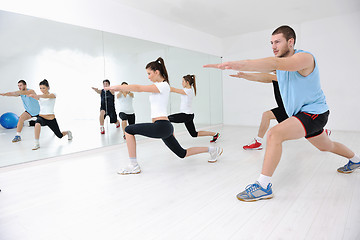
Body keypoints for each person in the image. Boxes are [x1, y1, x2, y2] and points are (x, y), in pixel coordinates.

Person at [204, 25, 360, 201]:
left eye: (277, 41)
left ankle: (263, 186)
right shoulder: (282, 68)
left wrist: (233, 64)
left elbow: (274, 63)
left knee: (274, 134)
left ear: (290, 41)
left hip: (314, 113)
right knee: (326, 146)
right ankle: (356, 160)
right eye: (271, 42)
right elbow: (269, 76)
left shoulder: (305, 58)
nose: (273, 46)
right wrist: (244, 75)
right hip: (305, 115)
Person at [105, 57, 223, 174]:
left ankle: (133, 165)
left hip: (161, 126)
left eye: (149, 73)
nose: (148, 77)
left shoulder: (162, 86)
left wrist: (117, 87)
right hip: (164, 127)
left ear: (157, 72)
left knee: (129, 130)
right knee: (182, 153)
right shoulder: (160, 86)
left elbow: (139, 88)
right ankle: (212, 150)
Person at [234, 73, 331, 150]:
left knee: (310, 137)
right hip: (285, 109)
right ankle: (258, 142)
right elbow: (264, 78)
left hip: (296, 110)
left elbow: (265, 76)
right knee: (266, 115)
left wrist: (245, 75)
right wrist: (245, 76)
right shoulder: (277, 78)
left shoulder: (287, 78)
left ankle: (322, 132)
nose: (275, 70)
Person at [168, 74, 220, 143]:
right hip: (189, 115)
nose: (181, 83)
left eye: (183, 81)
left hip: (186, 115)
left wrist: (164, 85)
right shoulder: (187, 90)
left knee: (167, 119)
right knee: (194, 134)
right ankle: (215, 134)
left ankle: (172, 141)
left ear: (187, 82)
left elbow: (173, 90)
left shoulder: (188, 91)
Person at [29, 79, 72, 150]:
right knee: (37, 123)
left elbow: (47, 96)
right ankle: (36, 143)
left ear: (48, 87)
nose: (42, 90)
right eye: (40, 88)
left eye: (43, 88)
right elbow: (35, 97)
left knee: (59, 135)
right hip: (42, 117)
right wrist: (31, 96)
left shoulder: (53, 94)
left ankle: (68, 132)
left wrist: (37, 95)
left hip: (51, 119)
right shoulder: (39, 96)